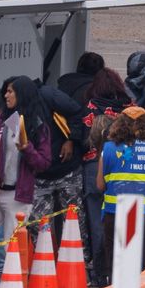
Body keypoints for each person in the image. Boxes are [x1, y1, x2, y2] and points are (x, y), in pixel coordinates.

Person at [0, 76, 51, 282]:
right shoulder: (2, 120)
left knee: (12, 247)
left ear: (22, 94)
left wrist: (27, 149)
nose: (5, 95)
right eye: (5, 91)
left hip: (19, 196)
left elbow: (44, 163)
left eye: (10, 91)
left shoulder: (38, 125)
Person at [97, 107, 145, 280]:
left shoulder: (108, 149)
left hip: (115, 212)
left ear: (120, 124)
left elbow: (100, 185)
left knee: (116, 261)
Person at [80, 67, 133, 286]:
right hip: (124, 165)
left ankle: (100, 272)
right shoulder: (130, 110)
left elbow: (82, 138)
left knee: (97, 221)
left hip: (93, 165)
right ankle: (120, 268)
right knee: (122, 219)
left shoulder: (89, 109)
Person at [28, 79, 86, 262]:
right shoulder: (16, 112)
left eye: (10, 92)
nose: (6, 96)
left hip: (66, 168)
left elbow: (78, 112)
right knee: (39, 223)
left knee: (74, 219)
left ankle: (79, 263)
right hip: (40, 175)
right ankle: (43, 264)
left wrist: (71, 139)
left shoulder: (48, 95)